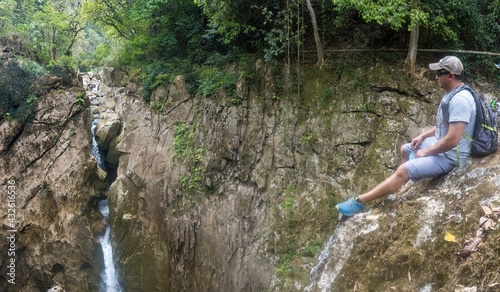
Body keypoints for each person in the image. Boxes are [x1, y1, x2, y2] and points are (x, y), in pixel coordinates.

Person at [336, 56, 477, 216]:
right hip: (442, 146)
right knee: (405, 149)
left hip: (451, 157)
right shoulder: (451, 94)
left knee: (403, 170)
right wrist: (423, 136)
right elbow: (442, 124)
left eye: (439, 73)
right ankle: (400, 185)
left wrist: (427, 152)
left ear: (450, 76)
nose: (436, 77)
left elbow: (452, 140)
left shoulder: (460, 100)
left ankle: (359, 202)